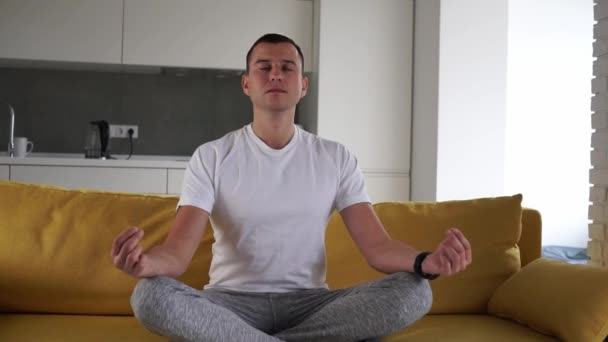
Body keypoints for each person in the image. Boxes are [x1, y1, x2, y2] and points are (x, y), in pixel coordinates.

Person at [111, 33, 472, 342]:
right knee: (149, 296)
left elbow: (377, 248)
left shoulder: (334, 157)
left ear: (303, 85)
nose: (275, 75)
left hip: (311, 305)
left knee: (415, 291)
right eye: (263, 67)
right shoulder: (212, 156)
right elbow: (176, 253)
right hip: (230, 303)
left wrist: (427, 262)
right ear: (247, 83)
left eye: (287, 67)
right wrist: (146, 263)